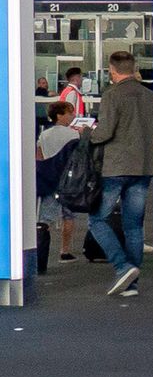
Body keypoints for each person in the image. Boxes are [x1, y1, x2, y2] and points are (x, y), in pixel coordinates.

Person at [87, 50, 153, 297]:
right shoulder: (151, 97)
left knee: (97, 219)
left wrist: (87, 134)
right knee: (133, 225)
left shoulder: (112, 95)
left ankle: (122, 267)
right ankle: (131, 283)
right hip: (145, 166)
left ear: (112, 70)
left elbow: (105, 132)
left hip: (116, 167)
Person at [36, 100, 81, 263]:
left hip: (49, 180)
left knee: (44, 218)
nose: (73, 116)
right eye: (70, 113)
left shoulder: (44, 134)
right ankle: (65, 250)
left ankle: (40, 253)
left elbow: (39, 155)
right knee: (68, 216)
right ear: (60, 115)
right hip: (68, 180)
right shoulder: (74, 135)